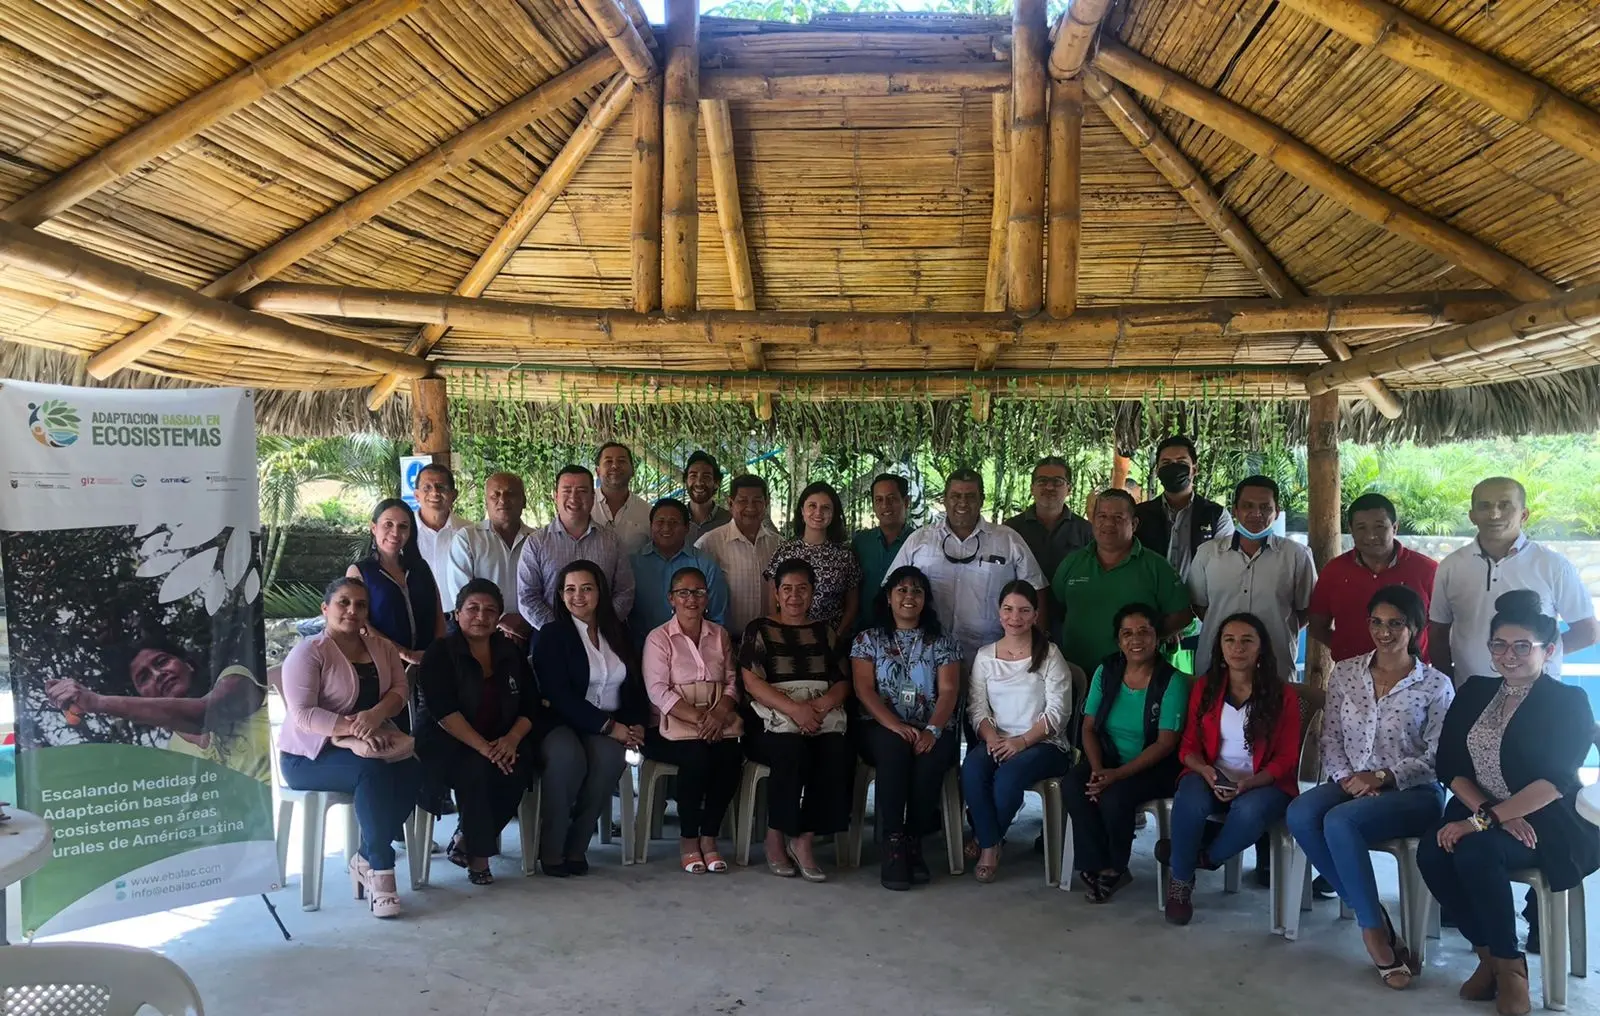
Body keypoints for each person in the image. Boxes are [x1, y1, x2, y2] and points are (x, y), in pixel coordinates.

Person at [1417, 590, 1598, 1015]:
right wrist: (1487, 815)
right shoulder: (1475, 691)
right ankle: (1491, 958)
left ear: (1548, 651)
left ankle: (1513, 970)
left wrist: (1493, 820)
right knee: (1433, 851)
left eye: (1522, 646)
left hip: (1545, 818)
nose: (1508, 655)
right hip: (1478, 805)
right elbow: (1450, 765)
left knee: (1475, 851)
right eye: (1499, 644)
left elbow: (1555, 781)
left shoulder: (1569, 702)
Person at [1286, 585, 1454, 989]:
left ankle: (1373, 934)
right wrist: (1348, 779)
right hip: (1352, 781)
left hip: (1415, 793)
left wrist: (1382, 778)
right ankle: (1371, 911)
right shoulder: (1346, 672)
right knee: (1301, 813)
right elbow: (1330, 737)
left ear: (1414, 628)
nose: (1385, 631)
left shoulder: (1435, 685)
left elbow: (1438, 757)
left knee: (1341, 822)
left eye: (1396, 623)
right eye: (1377, 622)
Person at [277, 577, 422, 918]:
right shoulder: (309, 652)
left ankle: (365, 856)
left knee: (412, 767)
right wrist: (353, 730)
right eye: (343, 602)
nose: (352, 611)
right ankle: (382, 871)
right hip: (308, 756)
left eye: (360, 605)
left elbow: (399, 692)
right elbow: (302, 714)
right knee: (372, 772)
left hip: (368, 741)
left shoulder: (382, 648)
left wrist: (374, 716)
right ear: (325, 609)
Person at [1159, 612, 1302, 925]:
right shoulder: (1206, 689)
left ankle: (1206, 857)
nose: (1237, 648)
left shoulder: (1283, 696)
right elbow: (1188, 749)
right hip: (1212, 773)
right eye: (1229, 640)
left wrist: (1250, 783)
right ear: (1219, 648)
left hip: (1265, 783)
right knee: (1189, 796)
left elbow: (1286, 759)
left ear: (1260, 648)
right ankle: (1181, 883)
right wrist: (1207, 772)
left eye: (1246, 641)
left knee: (1249, 812)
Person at [529, 560, 648, 876]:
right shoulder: (552, 635)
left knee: (610, 759)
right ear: (560, 594)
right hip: (560, 721)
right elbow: (558, 694)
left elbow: (633, 683)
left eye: (586, 588)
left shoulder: (619, 632)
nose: (577, 596)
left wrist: (634, 724)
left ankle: (577, 846)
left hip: (608, 724)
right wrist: (610, 726)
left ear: (600, 592)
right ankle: (552, 849)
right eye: (570, 589)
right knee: (567, 759)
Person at [1062, 603, 1188, 903]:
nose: (1136, 639)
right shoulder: (1106, 672)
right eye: (1127, 633)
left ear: (1157, 637)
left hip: (1155, 765)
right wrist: (1097, 770)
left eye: (1144, 631)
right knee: (1073, 784)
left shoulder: (1172, 681)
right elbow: (1089, 727)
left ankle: (1116, 866)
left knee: (1115, 794)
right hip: (1107, 757)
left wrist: (1114, 776)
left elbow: (1165, 743)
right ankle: (1099, 864)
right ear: (1119, 640)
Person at [416, 579, 539, 885]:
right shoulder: (440, 653)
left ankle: (466, 838)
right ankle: (478, 857)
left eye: (489, 610)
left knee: (519, 767)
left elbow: (532, 705)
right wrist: (486, 749)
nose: (481, 616)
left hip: (500, 739)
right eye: (472, 608)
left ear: (499, 617)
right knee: (477, 769)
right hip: (448, 741)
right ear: (457, 613)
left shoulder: (510, 652)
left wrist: (510, 740)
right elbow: (443, 713)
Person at [739, 559, 854, 882]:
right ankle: (776, 835)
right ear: (775, 593)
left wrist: (818, 707)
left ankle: (804, 838)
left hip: (818, 714)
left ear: (813, 592)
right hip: (770, 721)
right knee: (792, 751)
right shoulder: (759, 629)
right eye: (787, 589)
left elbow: (842, 681)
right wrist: (795, 709)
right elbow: (752, 683)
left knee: (836, 751)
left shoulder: (825, 632)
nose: (794, 596)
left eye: (802, 589)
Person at [850, 565, 961, 890]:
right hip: (879, 725)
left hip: (932, 725)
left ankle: (915, 839)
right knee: (895, 749)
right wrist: (895, 726)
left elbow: (950, 691)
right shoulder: (868, 640)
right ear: (888, 597)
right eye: (901, 590)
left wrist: (933, 730)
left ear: (925, 600)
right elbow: (864, 690)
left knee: (930, 756)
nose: (909, 597)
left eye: (916, 591)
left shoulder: (942, 642)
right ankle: (894, 842)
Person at [1429, 477, 1597, 685]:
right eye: (1485, 506)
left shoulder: (1553, 566)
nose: (1494, 514)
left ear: (1524, 514)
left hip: (1536, 696)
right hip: (1469, 694)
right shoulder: (1451, 566)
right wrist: (1448, 683)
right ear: (1472, 516)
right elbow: (1437, 633)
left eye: (1505, 505)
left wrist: (1536, 656)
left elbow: (1587, 633)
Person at [962, 581, 1073, 883]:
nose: (1015, 617)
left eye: (1024, 610)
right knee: (972, 768)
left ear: (1036, 615)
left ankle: (987, 845)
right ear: (999, 613)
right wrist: (993, 738)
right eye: (1008, 609)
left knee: (1008, 775)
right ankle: (991, 837)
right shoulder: (986, 656)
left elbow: (1058, 714)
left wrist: (1021, 742)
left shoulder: (1050, 655)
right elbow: (977, 709)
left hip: (1044, 744)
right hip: (998, 739)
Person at [46, 634, 270, 782]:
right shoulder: (174, 751)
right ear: (142, 697)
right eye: (144, 678)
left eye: (162, 662)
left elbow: (204, 714)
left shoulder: (235, 679)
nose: (158, 674)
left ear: (188, 664)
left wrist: (97, 703)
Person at [885, 468, 1046, 671]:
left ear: (982, 500)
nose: (962, 502)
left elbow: (1036, 590)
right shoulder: (920, 540)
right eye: (955, 496)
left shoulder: (1007, 540)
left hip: (994, 657)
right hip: (928, 656)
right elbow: (891, 589)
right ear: (944, 499)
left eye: (970, 496)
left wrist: (1037, 646)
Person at [642, 566, 744, 874]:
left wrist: (720, 713)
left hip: (718, 718)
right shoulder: (659, 638)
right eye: (684, 593)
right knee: (697, 757)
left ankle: (709, 838)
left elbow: (732, 680)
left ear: (707, 598)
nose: (692, 599)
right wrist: (702, 719)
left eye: (699, 592)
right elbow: (658, 690)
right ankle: (689, 840)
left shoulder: (720, 634)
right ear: (671, 599)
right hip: (672, 725)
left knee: (731, 756)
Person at [1187, 475, 1316, 681]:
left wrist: (1275, 629)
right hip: (1217, 667)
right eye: (1248, 506)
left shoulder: (1297, 556)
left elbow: (1306, 610)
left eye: (1265, 507)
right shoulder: (1208, 554)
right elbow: (1199, 605)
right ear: (1235, 510)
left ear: (1277, 512)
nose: (1256, 513)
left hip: (1275, 666)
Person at [1051, 488, 1191, 677]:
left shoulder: (1155, 567)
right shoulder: (1073, 563)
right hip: (1076, 673)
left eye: (1118, 517)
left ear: (1133, 524)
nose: (1108, 523)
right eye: (1102, 516)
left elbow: (1182, 614)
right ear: (1092, 520)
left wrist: (1150, 637)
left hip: (1135, 677)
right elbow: (1055, 607)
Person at [1308, 493, 1438, 664]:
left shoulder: (1427, 570)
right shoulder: (1335, 570)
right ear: (1351, 530)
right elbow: (1317, 625)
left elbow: (1440, 627)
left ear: (1395, 528)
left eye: (1379, 527)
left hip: (1411, 676)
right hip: (1351, 678)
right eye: (1361, 527)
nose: (1370, 536)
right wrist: (1345, 651)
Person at [517, 465, 635, 631]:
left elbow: (625, 591)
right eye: (567, 490)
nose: (574, 498)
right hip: (552, 635)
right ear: (555, 496)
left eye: (582, 491)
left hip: (604, 634)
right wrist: (560, 630)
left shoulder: (612, 541)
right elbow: (527, 597)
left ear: (593, 497)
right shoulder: (536, 543)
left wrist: (600, 628)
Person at [347, 498, 445, 665]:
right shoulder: (360, 572)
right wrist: (405, 654)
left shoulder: (420, 568)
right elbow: (361, 624)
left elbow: (439, 616)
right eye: (388, 524)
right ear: (374, 528)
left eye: (403, 526)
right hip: (383, 664)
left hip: (429, 662)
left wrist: (435, 652)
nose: (395, 533)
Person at [1005, 456, 1093, 629]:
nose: (1049, 487)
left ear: (1069, 489)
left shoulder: (1087, 531)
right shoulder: (1011, 529)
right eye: (1042, 481)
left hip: (1073, 623)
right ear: (1032, 488)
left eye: (1057, 481)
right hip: (1022, 623)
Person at [1133, 435, 1235, 581]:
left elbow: (1227, 564)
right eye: (1166, 463)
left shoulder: (1216, 515)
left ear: (1194, 469)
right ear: (1157, 471)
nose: (1173, 468)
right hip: (1150, 599)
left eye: (1181, 462)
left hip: (1200, 601)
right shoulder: (1139, 514)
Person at [445, 473, 533, 640]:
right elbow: (462, 595)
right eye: (495, 495)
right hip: (480, 633)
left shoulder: (536, 540)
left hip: (530, 631)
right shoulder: (467, 539)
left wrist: (526, 622)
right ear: (486, 502)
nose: (503, 500)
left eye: (510, 493)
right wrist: (501, 621)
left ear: (524, 501)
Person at [628, 498, 729, 643]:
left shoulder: (705, 565)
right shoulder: (633, 564)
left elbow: (717, 617)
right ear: (651, 526)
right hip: (641, 649)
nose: (666, 528)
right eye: (660, 522)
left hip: (694, 652)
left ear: (687, 528)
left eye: (674, 522)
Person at [765, 481, 861, 632]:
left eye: (825, 508)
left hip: (830, 641)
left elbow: (852, 604)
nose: (818, 512)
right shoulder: (784, 550)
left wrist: (836, 637)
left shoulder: (845, 556)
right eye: (812, 506)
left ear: (834, 513)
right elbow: (772, 596)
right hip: (788, 637)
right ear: (802, 511)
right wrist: (779, 633)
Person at [695, 473, 783, 637]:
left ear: (767, 503)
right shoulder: (708, 544)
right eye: (742, 501)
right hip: (724, 641)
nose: (750, 507)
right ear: (730, 503)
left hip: (768, 640)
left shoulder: (778, 545)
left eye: (757, 501)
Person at [851, 473, 916, 634]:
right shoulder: (861, 542)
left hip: (904, 633)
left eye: (892, 498)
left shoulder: (919, 542)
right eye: (878, 500)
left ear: (906, 502)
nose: (885, 505)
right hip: (862, 633)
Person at [413, 463, 468, 611]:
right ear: (417, 495)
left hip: (459, 619)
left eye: (441, 487)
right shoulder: (403, 532)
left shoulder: (469, 533)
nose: (434, 493)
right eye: (427, 488)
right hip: (414, 617)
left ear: (453, 495)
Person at [594, 441, 651, 555]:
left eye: (622, 461)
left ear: (632, 470)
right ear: (598, 471)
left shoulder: (648, 512)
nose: (615, 466)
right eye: (608, 461)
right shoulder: (584, 506)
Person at [683, 450, 733, 543]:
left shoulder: (729, 521)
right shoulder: (676, 520)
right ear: (686, 480)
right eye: (693, 476)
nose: (699, 483)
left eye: (706, 476)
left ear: (716, 483)